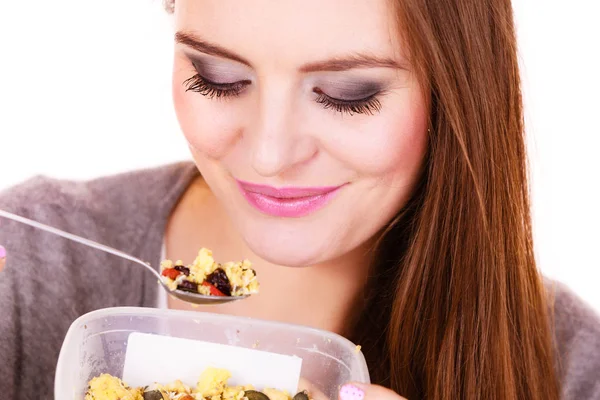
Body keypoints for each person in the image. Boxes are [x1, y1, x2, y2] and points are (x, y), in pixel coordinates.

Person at [0, 0, 599, 399]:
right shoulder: (25, 270)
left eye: (346, 94)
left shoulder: (571, 368)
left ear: (459, 88)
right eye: (218, 77)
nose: (268, 154)